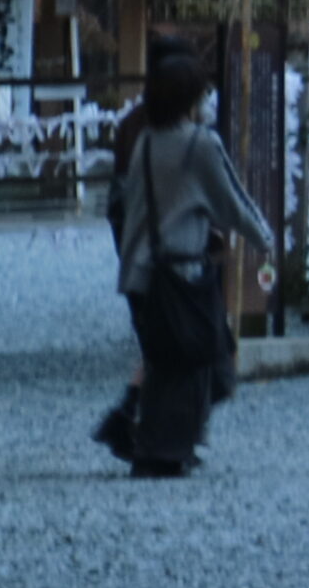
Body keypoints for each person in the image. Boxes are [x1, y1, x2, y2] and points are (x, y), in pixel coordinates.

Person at [98, 51, 273, 477]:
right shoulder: (199, 144)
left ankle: (154, 439)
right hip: (182, 273)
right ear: (190, 99)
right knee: (205, 363)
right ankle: (160, 449)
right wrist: (264, 239)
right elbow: (232, 202)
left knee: (167, 361)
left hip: (141, 272)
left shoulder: (145, 141)